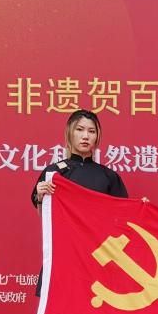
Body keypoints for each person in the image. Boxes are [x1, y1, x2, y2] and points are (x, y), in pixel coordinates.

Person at [31, 109, 128, 295]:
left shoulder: (108, 176)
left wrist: (141, 210)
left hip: (97, 259)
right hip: (63, 256)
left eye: (91, 131)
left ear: (97, 136)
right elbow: (45, 219)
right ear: (70, 132)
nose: (85, 136)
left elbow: (122, 220)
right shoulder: (54, 173)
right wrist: (41, 197)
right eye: (80, 129)